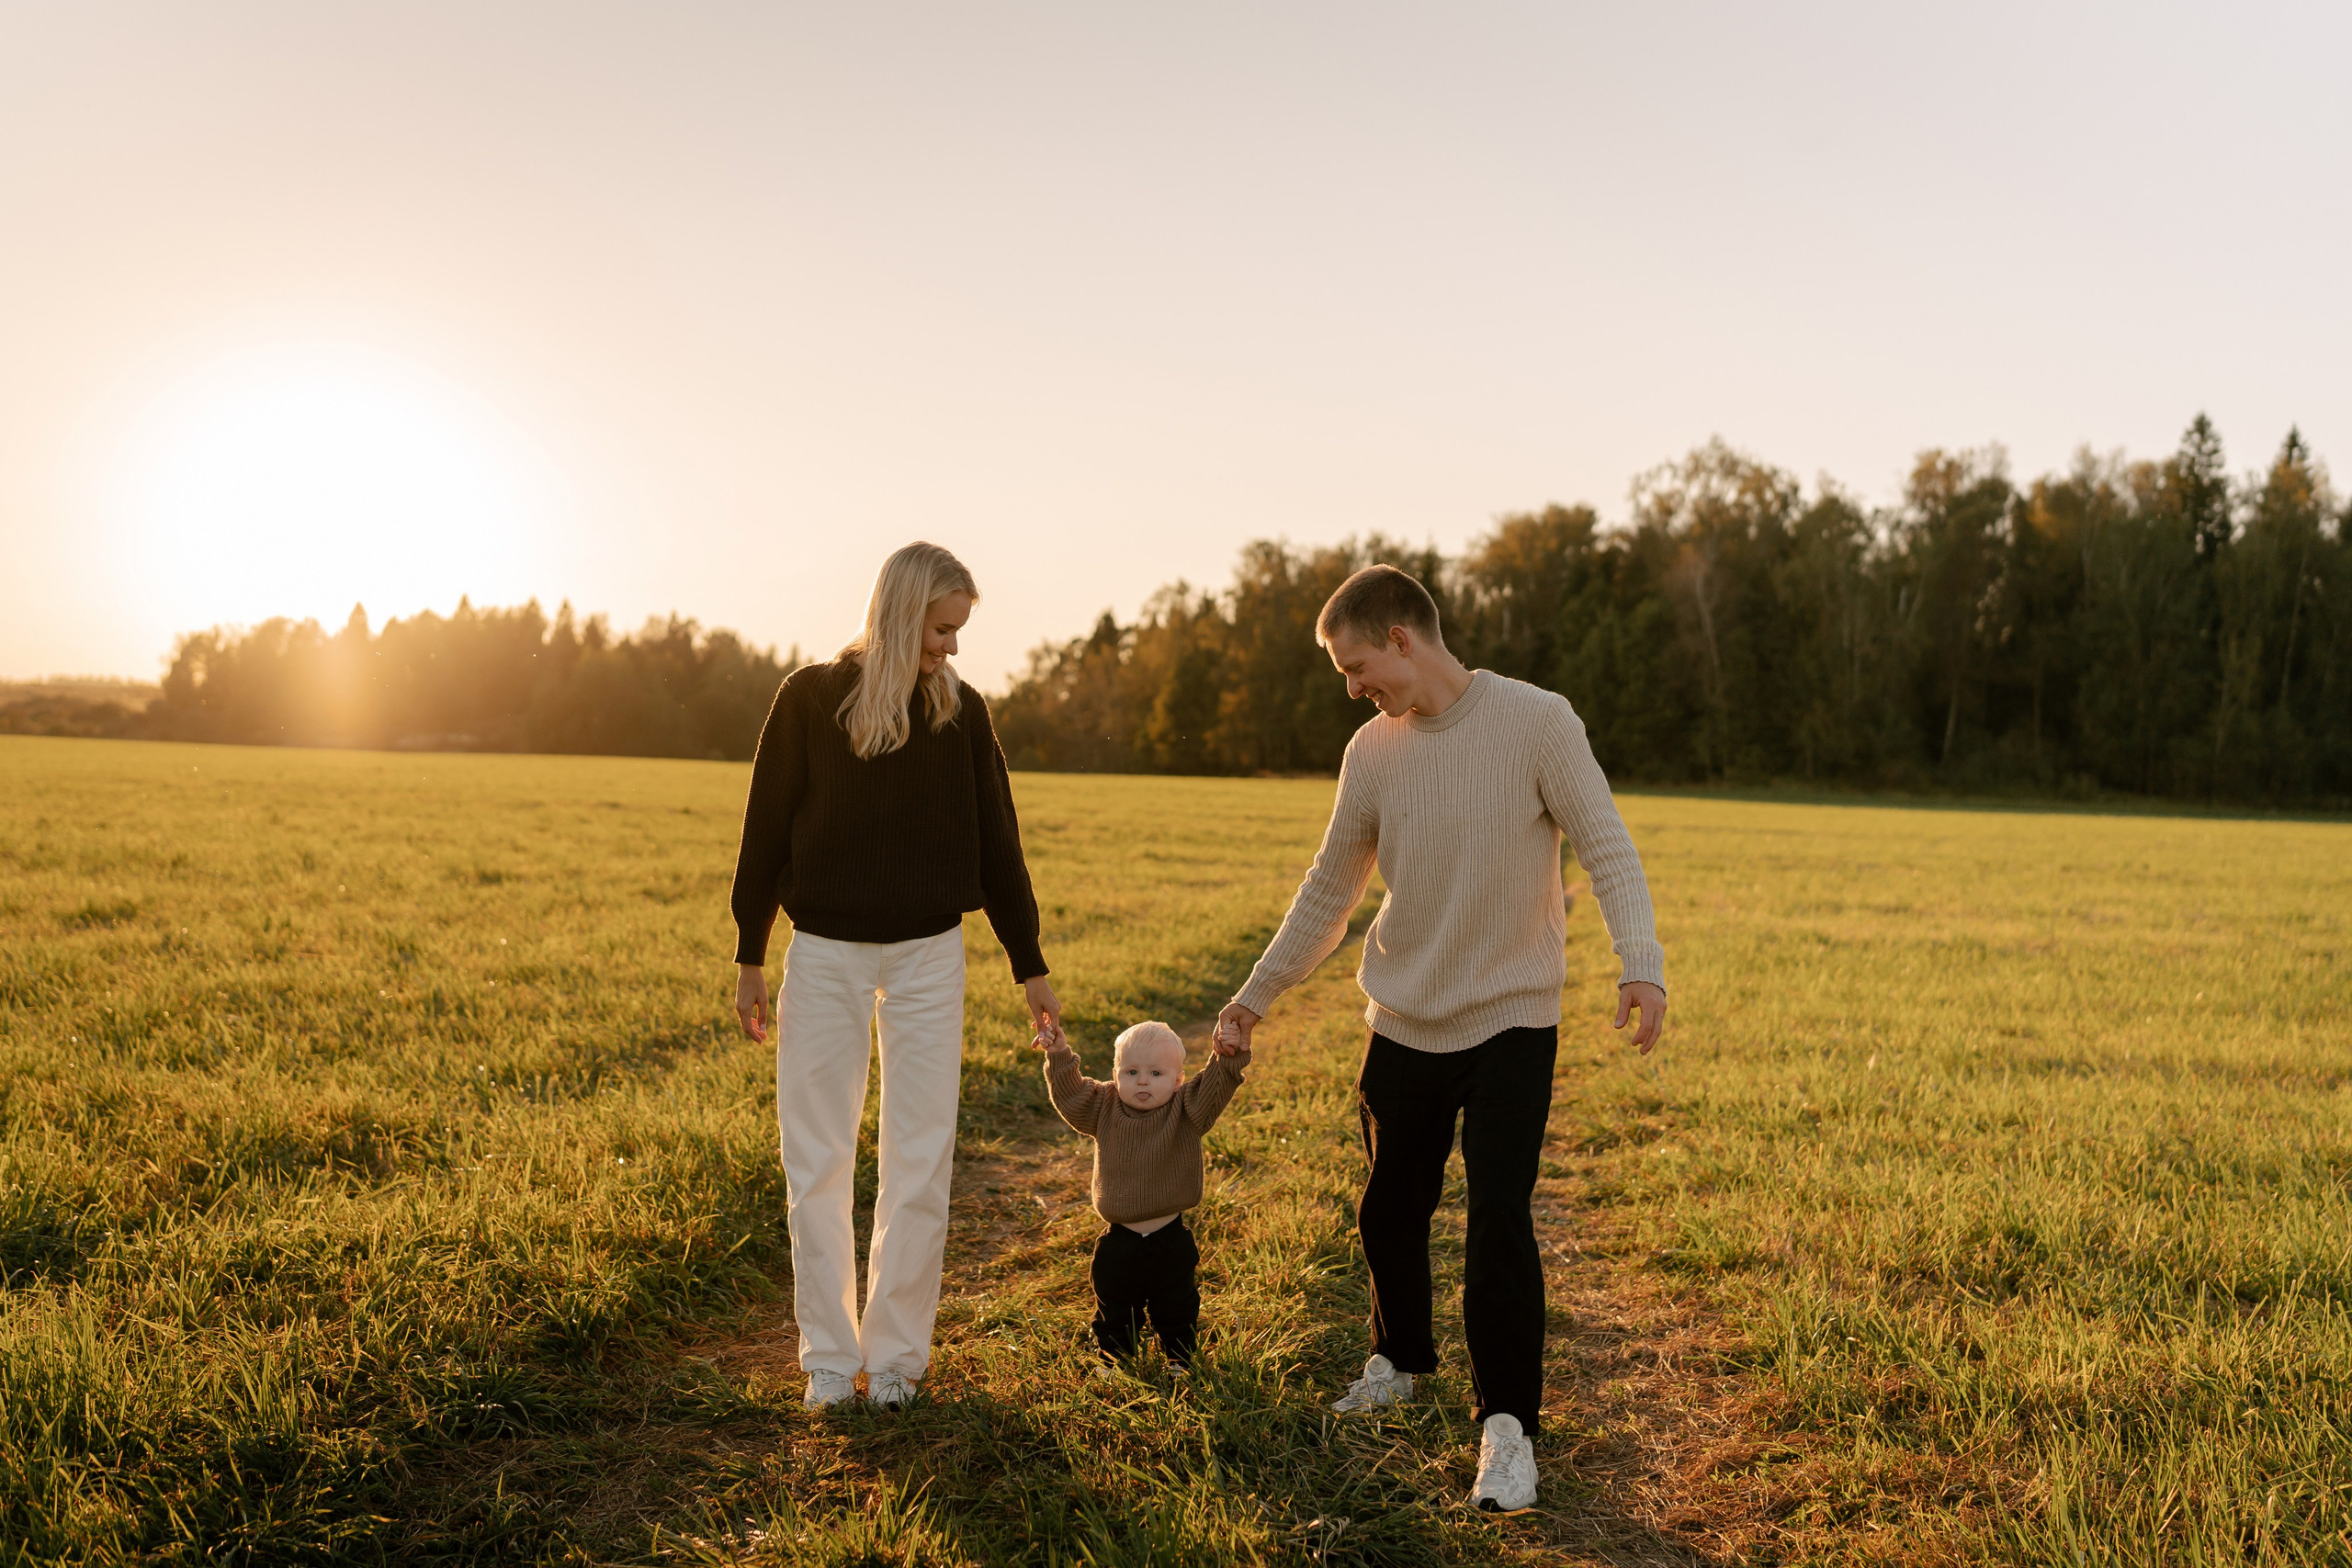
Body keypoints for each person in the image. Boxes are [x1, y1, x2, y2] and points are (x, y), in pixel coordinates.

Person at [1212, 563, 1668, 1514]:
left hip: (1511, 1017)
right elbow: (1329, 890)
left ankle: (1507, 1431)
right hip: (1404, 1018)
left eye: (1355, 664)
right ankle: (1397, 1360)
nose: (1351, 686)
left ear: (1403, 639)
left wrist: (1641, 963)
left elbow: (1607, 847)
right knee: (1389, 1208)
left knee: (1499, 1220)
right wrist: (1254, 996)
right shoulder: (1371, 753)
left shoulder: (1538, 721)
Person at [729, 541, 1060, 1412]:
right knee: (818, 1158)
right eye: (942, 628)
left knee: (920, 1157)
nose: (951, 647)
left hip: (927, 958)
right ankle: (829, 1360)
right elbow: (763, 829)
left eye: (957, 631)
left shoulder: (964, 715)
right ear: (902, 612)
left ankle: (900, 1361)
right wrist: (749, 953)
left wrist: (1031, 967)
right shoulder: (808, 699)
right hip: (825, 956)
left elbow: (999, 846)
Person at [1034, 1019, 1251, 1369]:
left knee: (1177, 1303)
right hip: (1120, 1241)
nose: (1143, 1081)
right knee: (1115, 1305)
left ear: (1178, 1080)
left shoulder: (1188, 1109)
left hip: (1171, 1238)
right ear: (1116, 1075)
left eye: (1156, 1073)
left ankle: (1179, 1358)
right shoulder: (1104, 1106)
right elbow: (1071, 1097)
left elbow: (1216, 1086)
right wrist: (1059, 1053)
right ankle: (1113, 1358)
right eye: (1131, 1071)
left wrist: (1227, 1056)